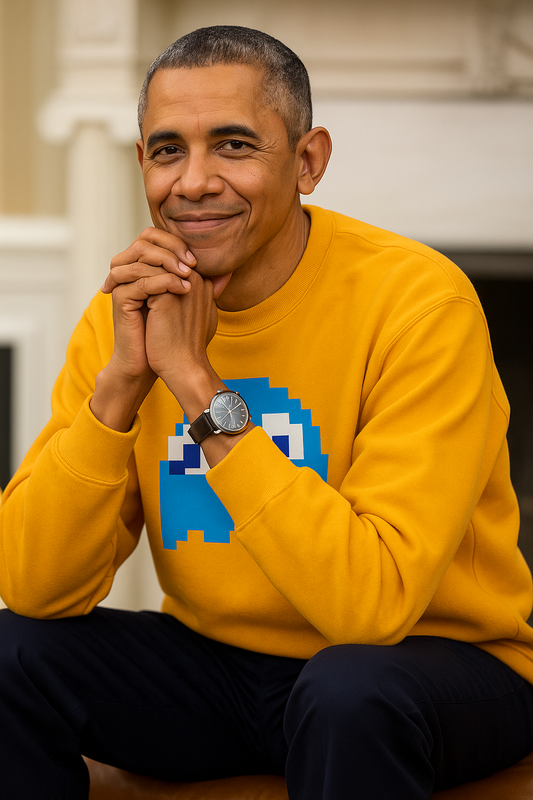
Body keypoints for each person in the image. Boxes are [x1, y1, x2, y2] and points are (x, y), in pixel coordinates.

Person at [1, 24, 533, 800]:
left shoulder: (419, 303)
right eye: (167, 150)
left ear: (308, 160)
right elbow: (34, 587)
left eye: (234, 146)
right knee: (10, 655)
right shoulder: (124, 317)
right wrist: (120, 385)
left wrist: (194, 383)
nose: (194, 181)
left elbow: (371, 607)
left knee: (349, 689)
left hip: (435, 664)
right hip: (222, 667)